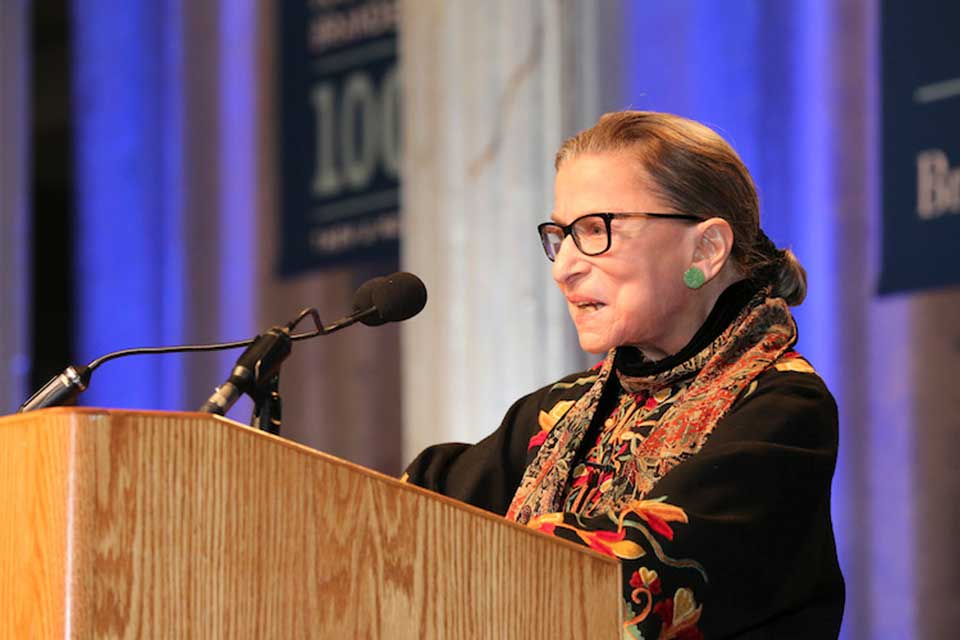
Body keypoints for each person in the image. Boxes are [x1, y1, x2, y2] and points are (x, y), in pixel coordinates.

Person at [403, 111, 844, 638]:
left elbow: (642, 577)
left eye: (594, 230)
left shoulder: (781, 406)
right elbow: (411, 515)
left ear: (705, 249)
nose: (563, 266)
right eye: (560, 235)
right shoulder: (559, 410)